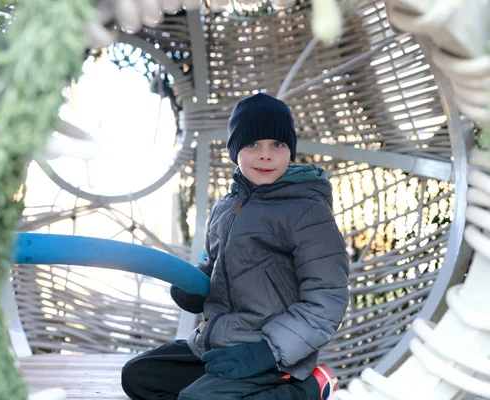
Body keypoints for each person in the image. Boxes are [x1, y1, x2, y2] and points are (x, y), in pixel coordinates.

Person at [121, 93, 349, 400]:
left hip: (271, 354)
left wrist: (268, 352)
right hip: (215, 345)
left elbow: (327, 298)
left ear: (290, 152)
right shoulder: (226, 207)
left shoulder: (308, 211)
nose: (265, 155)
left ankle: (307, 389)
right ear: (234, 150)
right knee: (139, 377)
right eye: (253, 144)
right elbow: (214, 266)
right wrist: (192, 287)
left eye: (277, 145)